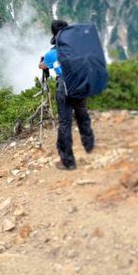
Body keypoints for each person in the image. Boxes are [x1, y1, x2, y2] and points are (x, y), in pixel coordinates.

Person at [39, 20, 95, 170]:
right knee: (82, 115)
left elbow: (43, 65)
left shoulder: (51, 54)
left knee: (65, 124)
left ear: (53, 34)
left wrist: (42, 61)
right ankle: (89, 145)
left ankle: (68, 161)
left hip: (64, 90)